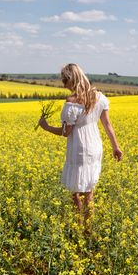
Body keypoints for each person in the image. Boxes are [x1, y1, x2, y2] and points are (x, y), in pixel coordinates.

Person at [38, 63, 123, 227]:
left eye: (64, 81)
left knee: (76, 192)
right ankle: (89, 228)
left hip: (80, 147)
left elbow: (66, 132)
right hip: (95, 146)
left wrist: (46, 127)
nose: (64, 85)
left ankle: (80, 227)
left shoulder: (72, 101)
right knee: (88, 190)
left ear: (71, 80)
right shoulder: (99, 97)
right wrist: (116, 147)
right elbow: (108, 125)